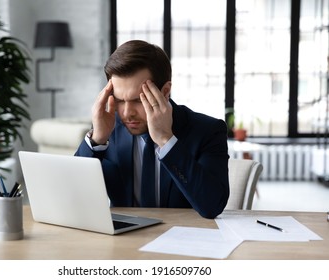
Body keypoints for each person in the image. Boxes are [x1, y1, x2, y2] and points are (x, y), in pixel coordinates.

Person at [75, 40, 229, 219]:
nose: (126, 113)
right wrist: (97, 140)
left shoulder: (208, 131)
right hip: (123, 242)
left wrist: (166, 140)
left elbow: (211, 206)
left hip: (182, 240)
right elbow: (71, 195)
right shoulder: (108, 128)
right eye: (119, 100)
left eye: (138, 100)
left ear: (165, 91)